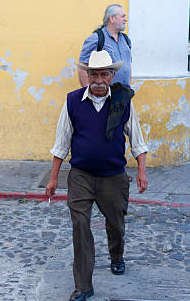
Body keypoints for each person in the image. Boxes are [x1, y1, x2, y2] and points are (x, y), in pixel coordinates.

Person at [46, 50, 148, 301]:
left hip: (113, 176)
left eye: (104, 74)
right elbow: (62, 142)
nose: (99, 80)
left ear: (112, 75)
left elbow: (137, 139)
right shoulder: (72, 101)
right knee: (80, 226)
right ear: (87, 75)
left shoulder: (122, 101)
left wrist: (142, 171)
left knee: (116, 223)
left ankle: (116, 255)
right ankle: (83, 285)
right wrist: (53, 178)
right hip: (81, 175)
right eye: (94, 74)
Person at [78, 4, 132, 87]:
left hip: (124, 94)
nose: (125, 20)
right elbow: (83, 65)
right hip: (104, 94)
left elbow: (128, 65)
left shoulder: (126, 40)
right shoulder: (96, 39)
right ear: (112, 18)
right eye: (122, 16)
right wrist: (88, 91)